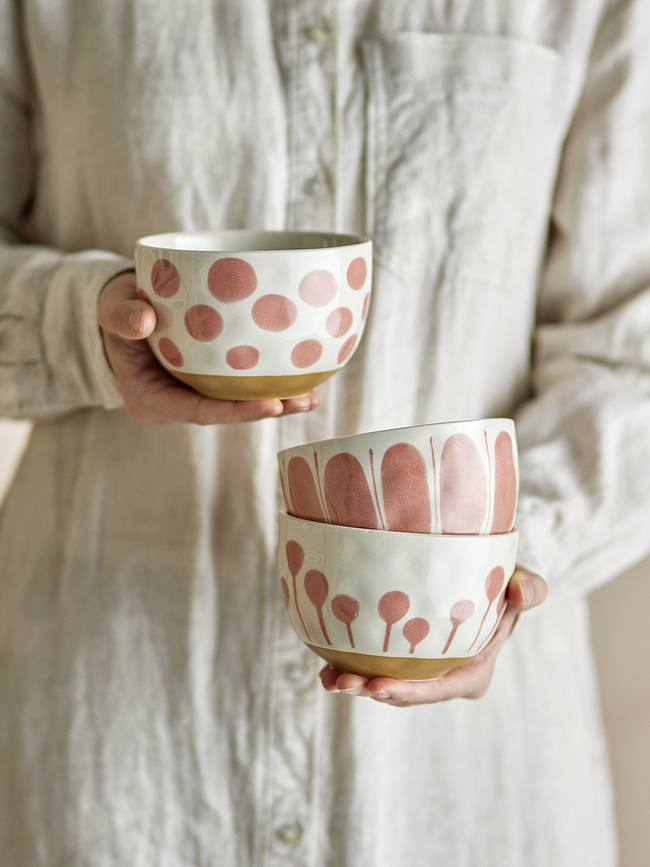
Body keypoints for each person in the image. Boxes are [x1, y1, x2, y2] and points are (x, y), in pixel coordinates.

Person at [1, 1, 648, 864]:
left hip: (461, 787)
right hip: (119, 744)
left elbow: (630, 355)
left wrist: (491, 569)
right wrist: (79, 324)